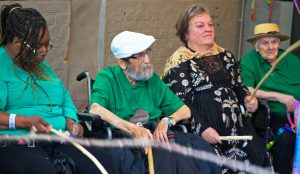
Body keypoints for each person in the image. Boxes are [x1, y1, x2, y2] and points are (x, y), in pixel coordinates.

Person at [0, 3, 117, 174]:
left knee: (106, 162)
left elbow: (64, 99)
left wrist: (71, 121)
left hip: (58, 139)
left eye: (48, 45)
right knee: (44, 170)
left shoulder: (44, 68)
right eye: (39, 45)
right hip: (17, 144)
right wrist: (23, 121)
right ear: (17, 42)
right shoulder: (2, 66)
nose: (44, 51)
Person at [90, 30, 221, 174]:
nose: (147, 59)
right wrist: (133, 129)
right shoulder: (108, 78)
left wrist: (167, 121)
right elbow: (95, 109)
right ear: (122, 63)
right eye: (140, 56)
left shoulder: (151, 80)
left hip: (153, 134)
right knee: (162, 156)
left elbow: (185, 111)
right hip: (122, 136)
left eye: (147, 53)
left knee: (199, 148)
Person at [161, 3, 269, 173]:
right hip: (202, 132)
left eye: (210, 24)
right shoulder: (179, 63)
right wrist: (203, 129)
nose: (208, 29)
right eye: (200, 25)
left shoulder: (225, 55)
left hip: (238, 128)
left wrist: (248, 99)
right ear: (186, 33)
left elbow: (239, 86)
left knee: (258, 156)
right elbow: (181, 105)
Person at [241, 23, 300, 174]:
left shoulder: (291, 59)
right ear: (256, 46)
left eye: (274, 42)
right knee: (286, 138)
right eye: (265, 43)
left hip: (298, 112)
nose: (271, 47)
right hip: (274, 115)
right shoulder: (250, 60)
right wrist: (278, 96)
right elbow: (247, 89)